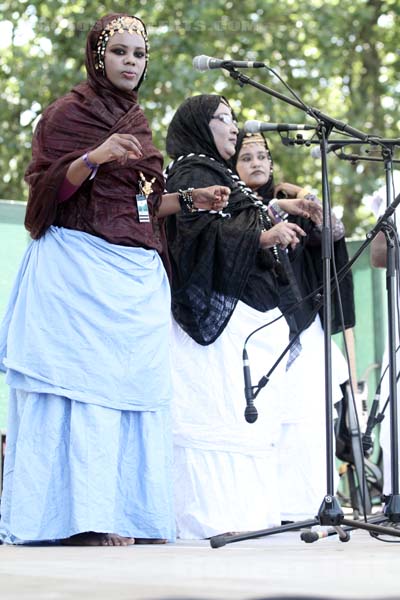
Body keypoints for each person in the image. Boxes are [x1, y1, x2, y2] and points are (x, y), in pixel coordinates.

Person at [0, 14, 229, 546]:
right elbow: (46, 194)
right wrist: (94, 157)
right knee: (80, 398)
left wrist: (191, 199)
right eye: (121, 52)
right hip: (76, 272)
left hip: (133, 275)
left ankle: (126, 515)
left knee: (130, 397)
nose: (131, 62)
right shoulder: (67, 114)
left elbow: (142, 204)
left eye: (139, 54)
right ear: (98, 56)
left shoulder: (139, 121)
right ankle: (75, 521)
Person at [164, 94, 328, 538]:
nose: (233, 127)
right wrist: (261, 237)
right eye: (222, 119)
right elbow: (192, 234)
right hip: (215, 323)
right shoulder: (190, 173)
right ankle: (212, 520)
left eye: (233, 118)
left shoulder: (220, 176)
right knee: (218, 417)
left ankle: (248, 517)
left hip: (247, 314)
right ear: (199, 125)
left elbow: (238, 218)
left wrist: (279, 210)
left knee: (247, 420)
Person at [234, 131, 354, 521]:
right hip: (254, 326)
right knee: (265, 419)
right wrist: (274, 204)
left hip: (302, 324)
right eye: (246, 156)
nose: (256, 162)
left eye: (262, 156)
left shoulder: (292, 203)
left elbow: (333, 231)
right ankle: (268, 511)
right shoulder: (232, 204)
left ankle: (308, 507)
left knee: (306, 419)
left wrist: (304, 195)